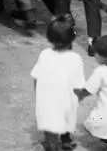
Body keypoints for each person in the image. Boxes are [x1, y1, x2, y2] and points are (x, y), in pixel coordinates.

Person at [30, 15, 85, 151]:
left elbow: (36, 77)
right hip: (66, 99)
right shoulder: (75, 58)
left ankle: (51, 145)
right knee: (65, 121)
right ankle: (64, 141)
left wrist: (38, 94)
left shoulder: (44, 54)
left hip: (47, 99)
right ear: (72, 38)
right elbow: (78, 85)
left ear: (49, 37)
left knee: (49, 125)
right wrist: (78, 98)